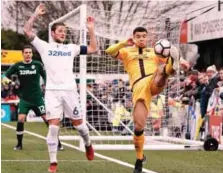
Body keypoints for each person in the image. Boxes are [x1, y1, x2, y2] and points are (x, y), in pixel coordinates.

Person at [23, 3, 97, 172]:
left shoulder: (71, 48)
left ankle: (88, 144)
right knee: (54, 126)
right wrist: (35, 14)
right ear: (53, 33)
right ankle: (53, 162)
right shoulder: (44, 46)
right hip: (52, 93)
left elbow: (94, 48)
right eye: (60, 31)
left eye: (65, 31)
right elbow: (27, 31)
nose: (63, 33)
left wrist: (91, 29)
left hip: (70, 92)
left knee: (80, 126)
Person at [105, 27, 189, 173]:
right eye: (138, 36)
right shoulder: (127, 52)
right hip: (139, 88)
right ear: (134, 37)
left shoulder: (155, 51)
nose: (142, 39)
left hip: (152, 80)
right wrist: (124, 43)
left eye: (144, 36)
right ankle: (139, 159)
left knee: (161, 73)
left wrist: (182, 60)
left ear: (147, 38)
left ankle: (172, 66)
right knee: (138, 127)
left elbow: (166, 56)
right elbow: (109, 51)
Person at [1, 45, 63, 151]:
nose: (28, 54)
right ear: (23, 54)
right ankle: (19, 144)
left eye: (30, 52)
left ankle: (58, 143)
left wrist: (49, 87)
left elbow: (45, 76)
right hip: (24, 99)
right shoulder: (17, 65)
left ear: (32, 54)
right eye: (26, 52)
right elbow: (3, 76)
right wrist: (11, 82)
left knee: (47, 120)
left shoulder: (37, 64)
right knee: (20, 119)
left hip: (37, 98)